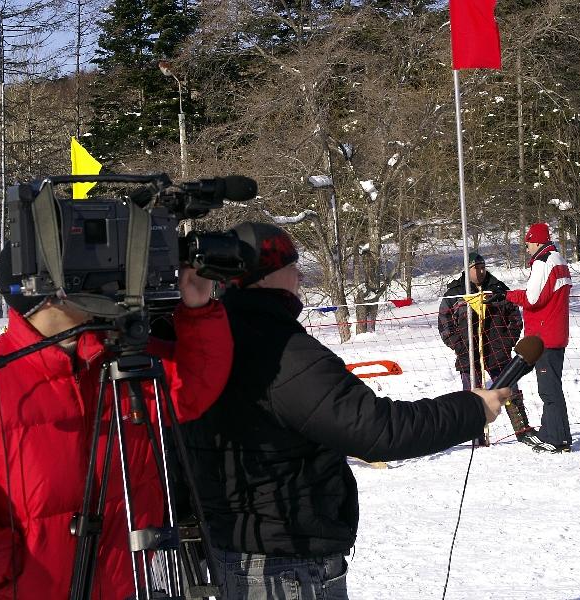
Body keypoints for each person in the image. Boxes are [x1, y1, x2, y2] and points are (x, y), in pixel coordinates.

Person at [182, 222, 512, 600]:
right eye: (292, 266)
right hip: (283, 565)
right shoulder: (278, 349)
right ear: (265, 277)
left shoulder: (208, 336)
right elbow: (376, 430)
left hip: (240, 550)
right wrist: (471, 409)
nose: (301, 277)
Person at [0, 243, 233, 600]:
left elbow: (191, 390)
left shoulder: (120, 362)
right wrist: (8, 568)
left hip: (125, 585)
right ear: (44, 291)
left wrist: (199, 308)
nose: (108, 286)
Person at [438, 251, 537, 445]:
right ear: (468, 270)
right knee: (471, 395)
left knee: (509, 389)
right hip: (468, 353)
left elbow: (515, 317)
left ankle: (522, 429)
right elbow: (444, 323)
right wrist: (458, 346)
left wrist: (507, 341)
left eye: (483, 267)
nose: (481, 271)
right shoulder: (454, 293)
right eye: (477, 268)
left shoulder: (498, 288)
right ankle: (474, 434)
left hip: (497, 350)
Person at [499, 222, 573, 453]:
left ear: (538, 241)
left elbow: (532, 299)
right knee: (552, 387)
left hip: (544, 337)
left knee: (549, 390)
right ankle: (553, 432)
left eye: (529, 242)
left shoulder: (543, 263)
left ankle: (556, 438)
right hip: (556, 334)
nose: (527, 247)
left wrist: (507, 296)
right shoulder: (559, 260)